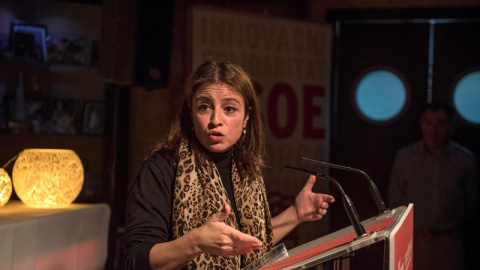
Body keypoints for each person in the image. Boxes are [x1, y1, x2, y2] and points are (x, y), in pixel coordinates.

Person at [123, 59, 335, 270]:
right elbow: (136, 260)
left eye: (230, 109)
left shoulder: (245, 169)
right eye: (204, 107)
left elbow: (245, 244)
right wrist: (195, 243)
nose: (216, 119)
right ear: (191, 113)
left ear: (246, 117)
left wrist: (295, 214)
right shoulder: (161, 168)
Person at [387, 101, 479, 270]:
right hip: (415, 237)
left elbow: (472, 201)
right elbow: (395, 198)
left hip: (451, 238)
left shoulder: (464, 159)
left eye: (441, 123)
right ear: (421, 124)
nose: (434, 130)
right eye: (428, 123)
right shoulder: (406, 157)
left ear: (451, 126)